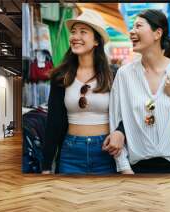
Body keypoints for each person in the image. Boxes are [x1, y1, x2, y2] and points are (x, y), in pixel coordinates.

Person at [108, 9, 170, 174]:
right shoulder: (124, 74)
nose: (132, 31)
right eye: (132, 27)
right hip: (136, 169)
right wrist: (124, 168)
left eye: (138, 26)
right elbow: (115, 121)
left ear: (157, 33)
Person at [41, 10, 125, 175]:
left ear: (96, 41)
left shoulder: (113, 75)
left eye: (83, 32)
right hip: (70, 153)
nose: (75, 36)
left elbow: (126, 113)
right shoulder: (61, 77)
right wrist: (46, 166)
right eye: (73, 32)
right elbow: (53, 122)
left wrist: (120, 131)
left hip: (106, 152)